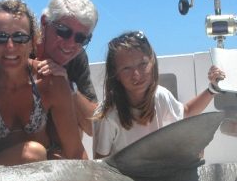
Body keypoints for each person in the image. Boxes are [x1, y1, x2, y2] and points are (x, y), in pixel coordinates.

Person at [0, 0, 87, 165]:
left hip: (39, 174)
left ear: (33, 42)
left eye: (20, 37)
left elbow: (75, 151)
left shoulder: (52, 82)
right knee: (32, 153)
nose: (10, 46)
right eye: (0, 38)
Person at [93, 31, 225, 158]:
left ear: (152, 62)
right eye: (126, 68)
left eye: (142, 64)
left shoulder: (160, 95)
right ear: (115, 74)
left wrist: (212, 88)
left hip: (157, 170)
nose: (136, 75)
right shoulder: (108, 114)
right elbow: (100, 166)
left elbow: (187, 112)